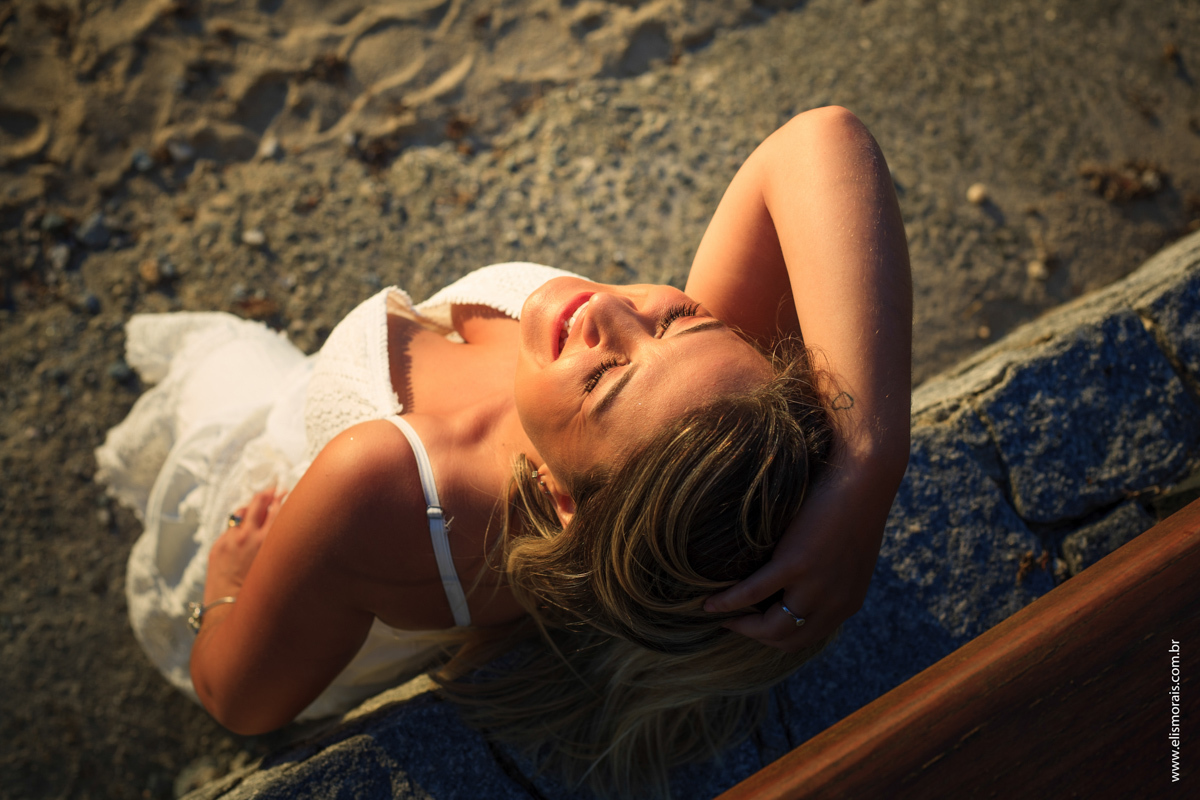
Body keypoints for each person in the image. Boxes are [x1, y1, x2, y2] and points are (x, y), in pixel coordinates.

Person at [95, 106, 910, 798]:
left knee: (212, 376)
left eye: (605, 381)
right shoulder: (706, 408)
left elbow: (236, 698)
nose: (612, 314)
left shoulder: (381, 490)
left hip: (282, 540)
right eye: (683, 315)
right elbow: (821, 137)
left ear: (562, 500)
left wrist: (231, 582)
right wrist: (868, 463)